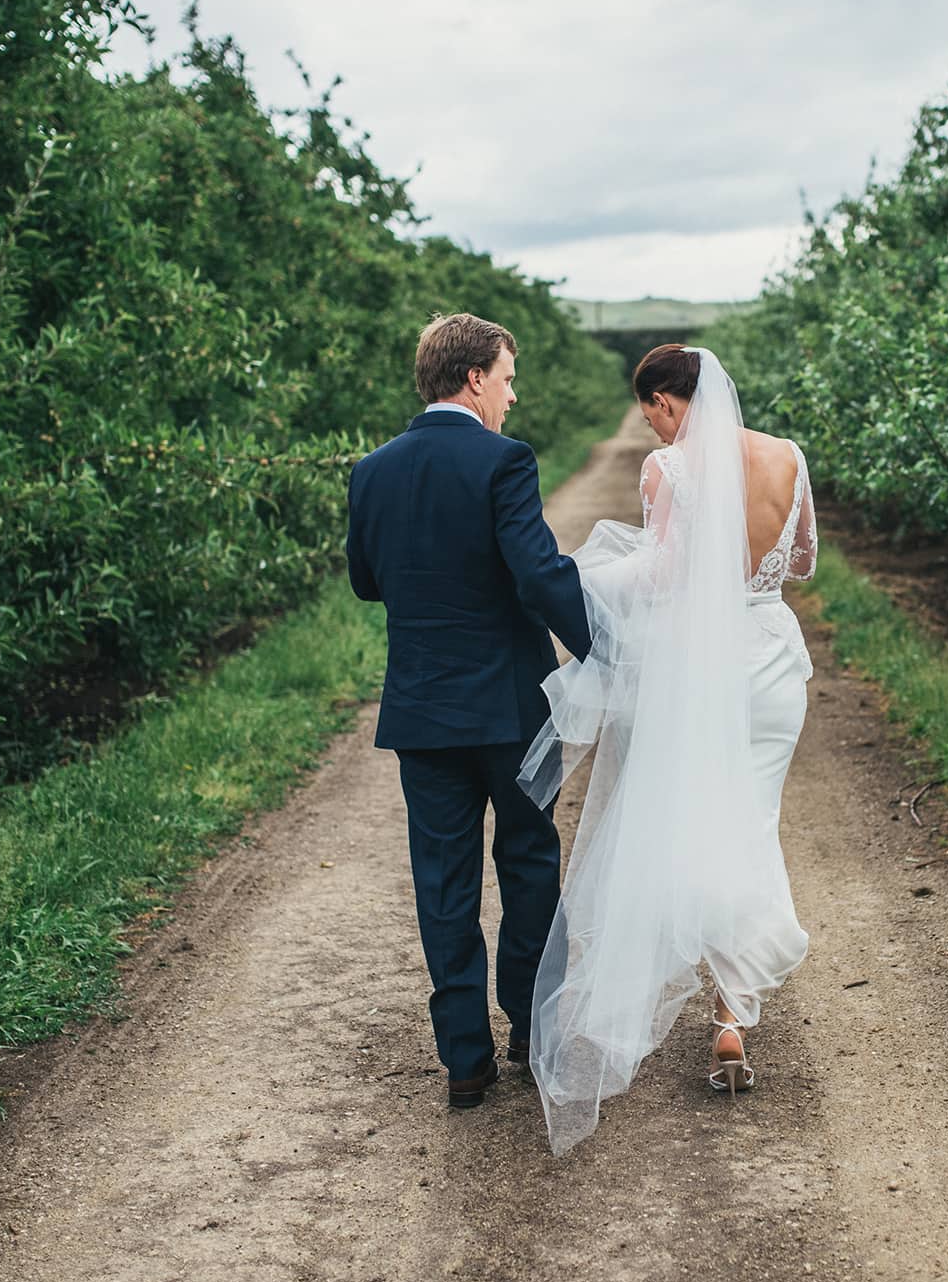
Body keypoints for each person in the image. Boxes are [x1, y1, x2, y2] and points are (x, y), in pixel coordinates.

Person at [520, 343, 815, 1155]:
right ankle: (730, 1018)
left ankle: (745, 971)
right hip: (773, 663)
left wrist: (583, 583)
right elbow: (802, 561)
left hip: (703, 669)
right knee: (754, 824)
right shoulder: (788, 457)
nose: (651, 423)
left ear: (663, 400)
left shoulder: (669, 470)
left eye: (649, 408)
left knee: (693, 830)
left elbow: (663, 575)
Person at [345, 313, 592, 1110]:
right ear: (476, 376)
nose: (513, 398)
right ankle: (528, 1026)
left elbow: (366, 581)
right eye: (509, 379)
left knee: (441, 881)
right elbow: (538, 572)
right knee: (528, 863)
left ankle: (463, 1057)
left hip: (422, 712)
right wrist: (604, 647)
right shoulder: (503, 462)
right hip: (513, 708)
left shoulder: (371, 470)